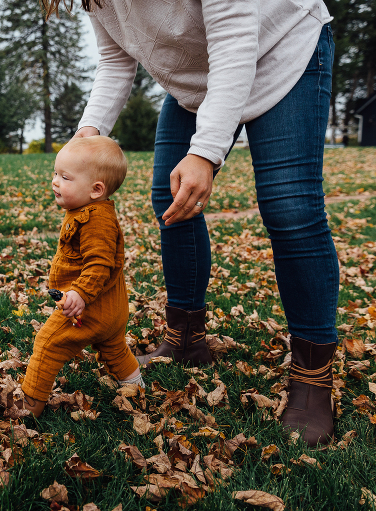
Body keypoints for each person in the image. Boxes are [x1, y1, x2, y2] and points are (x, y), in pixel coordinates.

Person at [44, 0, 337, 445]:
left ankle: (313, 376)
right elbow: (114, 59)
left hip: (281, 51)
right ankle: (186, 338)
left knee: (290, 208)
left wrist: (206, 151)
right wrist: (90, 130)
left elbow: (236, 42)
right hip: (199, 82)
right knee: (169, 198)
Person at [21, 136, 144, 417]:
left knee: (48, 345)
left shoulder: (95, 220)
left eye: (65, 177)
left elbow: (99, 265)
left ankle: (26, 413)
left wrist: (80, 293)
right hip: (112, 310)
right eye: (55, 173)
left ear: (96, 189)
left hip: (89, 308)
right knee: (114, 349)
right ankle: (138, 392)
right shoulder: (88, 209)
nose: (54, 181)